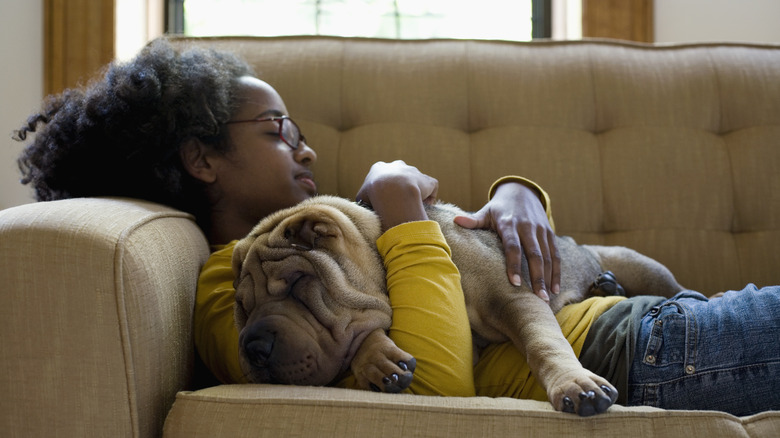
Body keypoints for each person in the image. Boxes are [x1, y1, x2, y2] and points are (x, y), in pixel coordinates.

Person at [14, 38, 779, 417]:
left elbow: (467, 258)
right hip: (628, 352)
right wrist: (405, 213)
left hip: (634, 318)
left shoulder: (324, 227)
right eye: (278, 130)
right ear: (201, 158)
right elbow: (435, 380)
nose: (305, 147)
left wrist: (518, 193)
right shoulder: (226, 282)